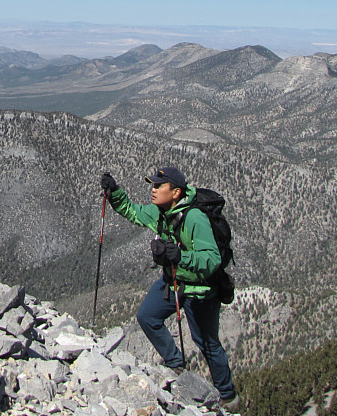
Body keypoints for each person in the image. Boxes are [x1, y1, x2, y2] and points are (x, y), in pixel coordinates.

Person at [100, 167, 239, 412]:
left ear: (175, 192)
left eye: (158, 187)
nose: (152, 190)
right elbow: (133, 212)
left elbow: (211, 259)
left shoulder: (194, 218)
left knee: (206, 342)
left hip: (201, 290)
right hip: (172, 282)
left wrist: (181, 257)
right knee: (147, 316)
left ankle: (228, 395)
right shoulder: (161, 212)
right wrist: (115, 193)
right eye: (152, 185)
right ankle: (176, 364)